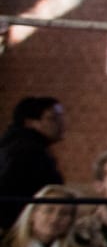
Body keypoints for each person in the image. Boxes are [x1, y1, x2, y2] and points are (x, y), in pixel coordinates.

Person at [0, 96, 66, 233]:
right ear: (30, 123)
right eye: (52, 118)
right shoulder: (28, 152)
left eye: (61, 117)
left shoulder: (12, 146)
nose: (61, 123)